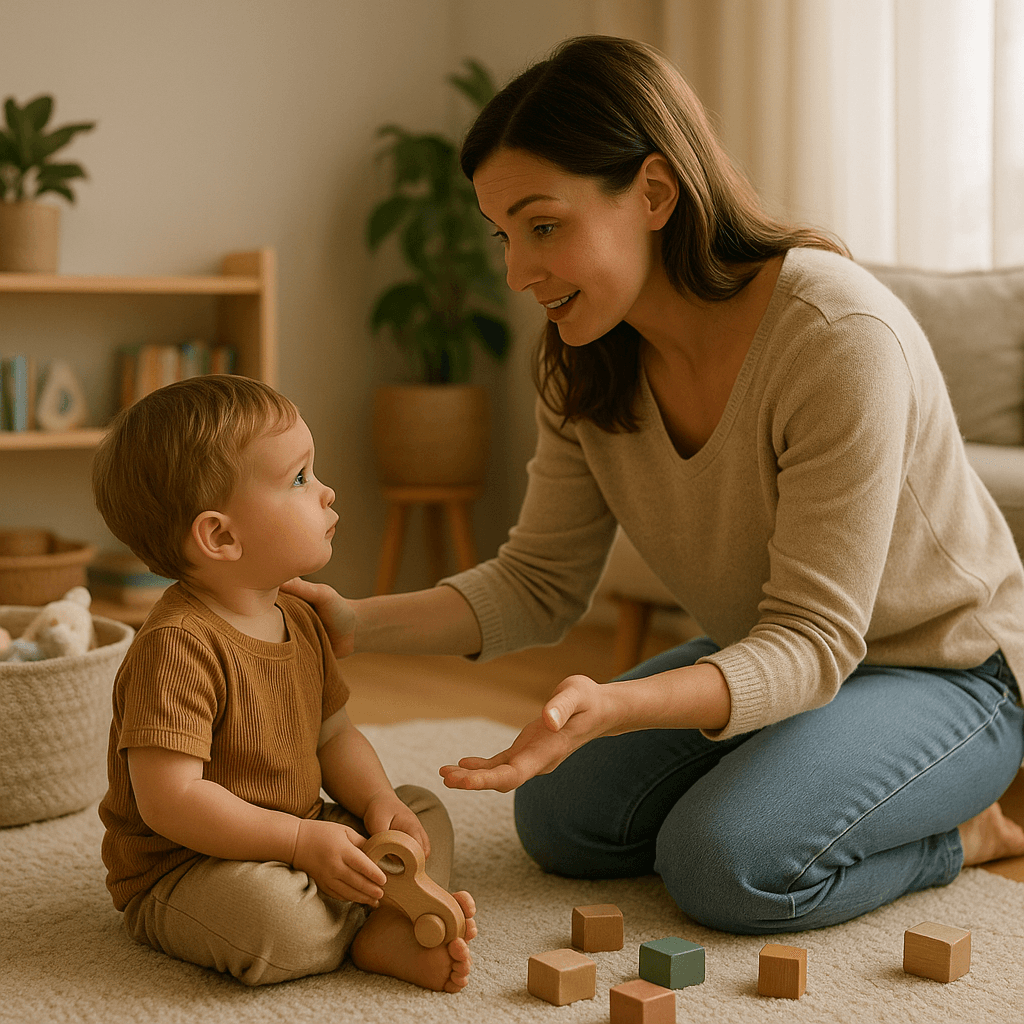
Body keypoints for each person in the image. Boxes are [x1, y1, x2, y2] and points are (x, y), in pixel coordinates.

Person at [286, 34, 1024, 934]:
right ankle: (819, 782)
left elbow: (817, 636)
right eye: (505, 236)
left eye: (544, 226)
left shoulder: (835, 334)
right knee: (561, 821)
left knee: (725, 863)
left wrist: (620, 705)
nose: (518, 273)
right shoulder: (581, 356)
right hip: (779, 657)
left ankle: (965, 835)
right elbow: (539, 582)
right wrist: (356, 623)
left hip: (944, 669)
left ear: (655, 194)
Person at [92, 375, 476, 988]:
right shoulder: (176, 646)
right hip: (193, 866)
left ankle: (377, 916)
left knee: (421, 813)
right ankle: (381, 912)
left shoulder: (299, 617)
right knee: (276, 924)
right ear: (220, 536)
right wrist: (300, 841)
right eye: (299, 478)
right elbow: (172, 802)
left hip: (300, 832)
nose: (326, 493)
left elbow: (335, 735)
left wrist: (377, 804)